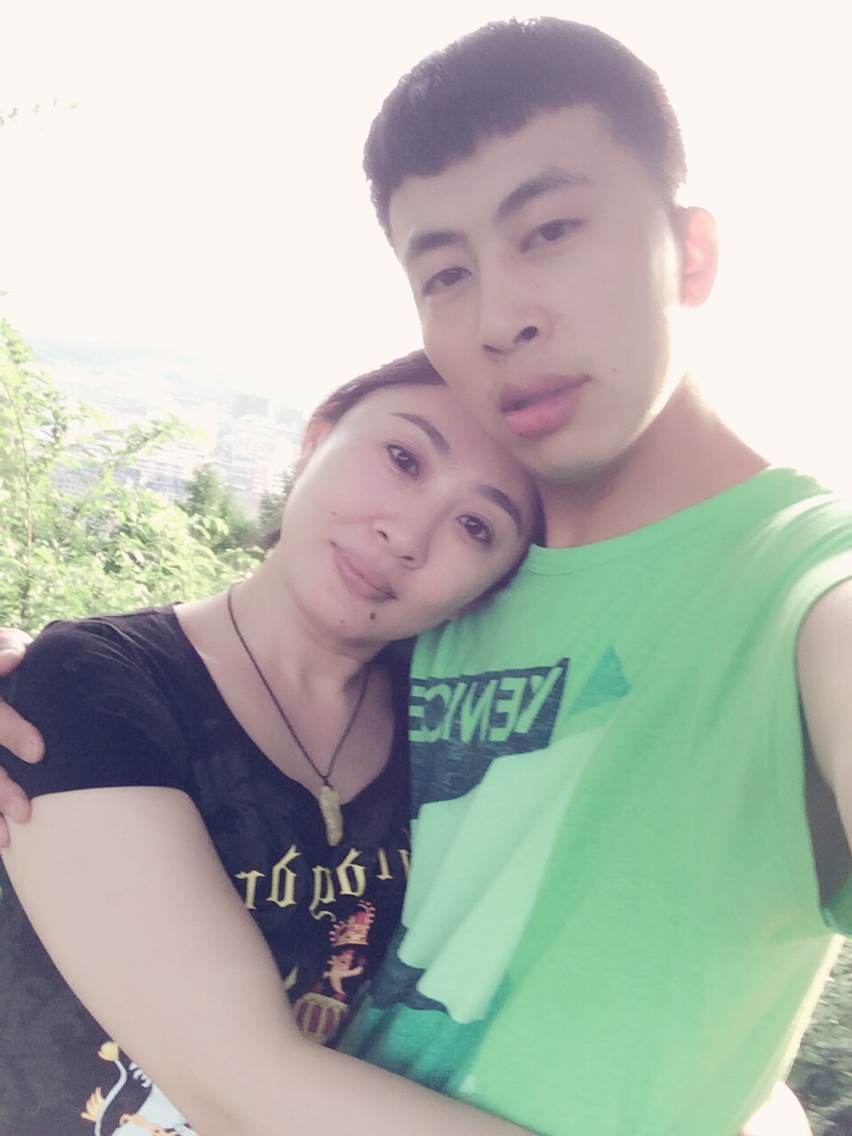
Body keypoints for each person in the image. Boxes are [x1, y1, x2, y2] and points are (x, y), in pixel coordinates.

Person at [1, 15, 850, 1136]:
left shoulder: (808, 590)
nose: (499, 317)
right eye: (446, 272)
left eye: (551, 230)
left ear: (690, 254)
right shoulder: (443, 609)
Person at [0, 350, 542, 1136]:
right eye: (403, 458)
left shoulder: (450, 742)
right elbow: (236, 1083)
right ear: (315, 441)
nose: (406, 536)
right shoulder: (91, 685)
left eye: (476, 526)